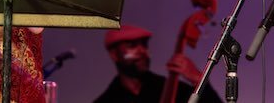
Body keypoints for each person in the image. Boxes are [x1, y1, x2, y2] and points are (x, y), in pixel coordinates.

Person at [94, 24, 222, 103]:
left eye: (144, 45)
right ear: (114, 54)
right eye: (132, 46)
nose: (142, 51)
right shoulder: (106, 100)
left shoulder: (172, 89)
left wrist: (199, 80)